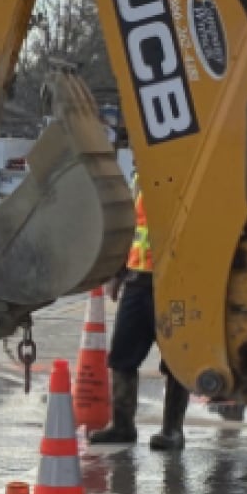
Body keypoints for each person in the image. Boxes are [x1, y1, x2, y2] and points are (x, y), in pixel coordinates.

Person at [90, 173, 190, 451]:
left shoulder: (189, 171)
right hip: (137, 281)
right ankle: (122, 426)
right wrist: (118, 272)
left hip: (177, 284)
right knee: (122, 356)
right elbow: (133, 228)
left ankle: (172, 430)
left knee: (177, 361)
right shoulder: (142, 176)